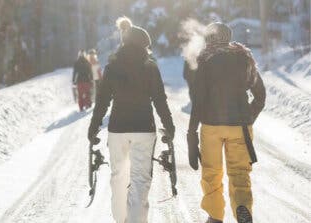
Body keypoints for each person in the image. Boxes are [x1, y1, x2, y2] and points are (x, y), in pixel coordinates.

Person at [88, 17, 175, 223]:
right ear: (144, 46)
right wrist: (169, 126)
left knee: (118, 178)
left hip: (118, 130)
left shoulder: (112, 67)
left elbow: (102, 102)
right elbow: (160, 101)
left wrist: (93, 127)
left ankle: (121, 220)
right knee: (139, 181)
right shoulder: (150, 67)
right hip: (144, 129)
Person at [187, 22, 266, 223]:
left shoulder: (205, 60)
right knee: (239, 173)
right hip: (240, 125)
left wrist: (191, 133)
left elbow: (198, 100)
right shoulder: (244, 58)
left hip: (211, 126)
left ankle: (215, 216)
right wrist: (249, 118)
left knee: (211, 173)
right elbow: (260, 96)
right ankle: (242, 207)